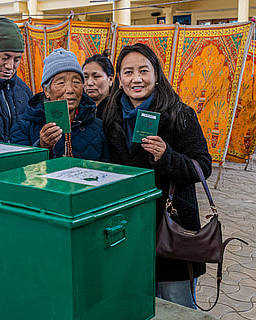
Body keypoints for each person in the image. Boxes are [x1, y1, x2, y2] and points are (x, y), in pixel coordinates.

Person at [102, 43, 212, 309]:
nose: (136, 79)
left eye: (143, 70)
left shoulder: (179, 114)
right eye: (128, 72)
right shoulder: (108, 113)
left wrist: (167, 157)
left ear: (156, 73)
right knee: (137, 306)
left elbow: (202, 165)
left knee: (177, 307)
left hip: (171, 228)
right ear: (118, 78)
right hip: (128, 230)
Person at [11, 48, 109, 161]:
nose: (70, 90)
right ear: (47, 91)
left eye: (76, 82)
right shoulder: (23, 128)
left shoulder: (99, 128)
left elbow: (108, 169)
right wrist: (42, 147)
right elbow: (20, 169)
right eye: (61, 83)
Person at [82, 54, 114, 119]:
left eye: (96, 76)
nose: (89, 83)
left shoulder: (120, 109)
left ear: (110, 79)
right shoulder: (77, 109)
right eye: (85, 77)